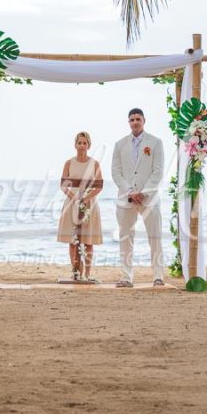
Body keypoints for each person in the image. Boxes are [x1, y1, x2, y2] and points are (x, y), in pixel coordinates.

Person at [111, 108, 165, 287]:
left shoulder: (155, 143)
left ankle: (158, 276)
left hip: (149, 199)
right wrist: (130, 192)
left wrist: (144, 192)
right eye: (132, 119)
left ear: (144, 120)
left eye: (138, 119)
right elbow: (116, 172)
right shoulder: (119, 145)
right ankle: (126, 277)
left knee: (155, 238)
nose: (135, 122)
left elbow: (158, 171)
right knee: (126, 238)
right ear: (128, 122)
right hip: (126, 199)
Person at [57, 132, 104, 281]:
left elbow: (99, 186)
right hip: (72, 203)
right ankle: (76, 272)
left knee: (88, 240)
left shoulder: (95, 164)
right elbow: (63, 185)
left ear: (89, 145)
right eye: (80, 143)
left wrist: (85, 198)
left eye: (85, 143)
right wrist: (74, 197)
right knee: (73, 240)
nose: (82, 146)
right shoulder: (68, 163)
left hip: (89, 203)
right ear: (75, 145)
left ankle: (88, 273)